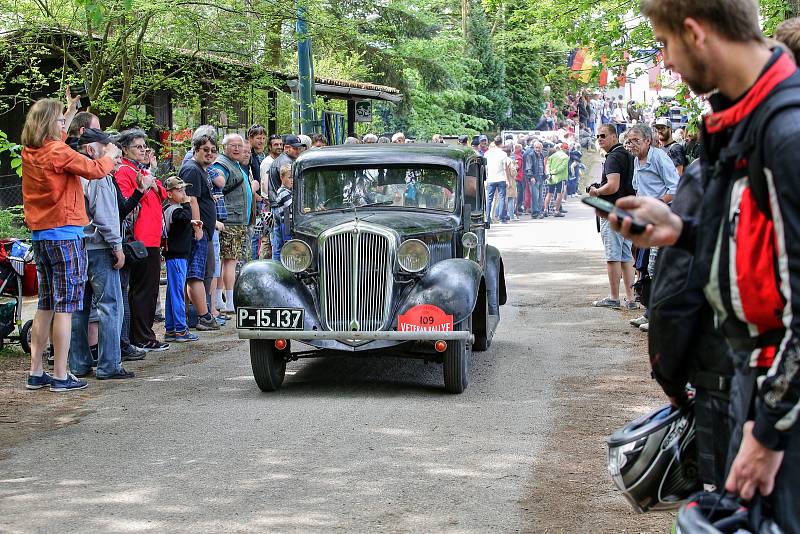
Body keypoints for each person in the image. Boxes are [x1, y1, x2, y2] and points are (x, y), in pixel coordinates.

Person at [613, 1, 800, 528]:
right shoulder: (748, 119)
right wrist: (683, 232)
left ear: (695, 33)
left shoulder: (785, 131)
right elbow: (768, 251)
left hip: (780, 399)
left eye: (665, 45)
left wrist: (767, 434)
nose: (666, 63)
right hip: (756, 383)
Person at [22, 95, 119, 392]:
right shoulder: (58, 153)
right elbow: (95, 170)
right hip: (66, 236)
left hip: (42, 236)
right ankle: (62, 375)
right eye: (61, 121)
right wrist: (110, 153)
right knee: (66, 307)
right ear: (50, 124)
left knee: (46, 304)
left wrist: (70, 109)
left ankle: (37, 371)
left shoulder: (32, 150)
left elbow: (58, 140)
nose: (64, 124)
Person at [69, 128, 134, 380]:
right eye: (109, 150)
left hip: (76, 246)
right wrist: (116, 246)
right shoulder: (98, 174)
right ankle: (109, 364)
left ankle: (78, 363)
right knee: (110, 306)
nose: (114, 158)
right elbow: (105, 215)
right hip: (99, 247)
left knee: (78, 308)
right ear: (92, 149)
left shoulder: (73, 172)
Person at [115, 129, 169, 352]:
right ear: (125, 149)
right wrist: (147, 186)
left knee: (150, 289)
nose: (143, 151)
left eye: (144, 147)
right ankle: (141, 336)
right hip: (140, 237)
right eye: (138, 147)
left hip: (152, 236)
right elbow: (127, 203)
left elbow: (163, 192)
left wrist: (152, 183)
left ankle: (144, 334)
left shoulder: (141, 169)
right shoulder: (125, 171)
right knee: (143, 290)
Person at [625, 123, 679, 332]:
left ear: (648, 140)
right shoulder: (637, 160)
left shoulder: (659, 157)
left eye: (636, 140)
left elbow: (674, 188)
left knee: (656, 268)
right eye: (629, 141)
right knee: (645, 268)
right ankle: (649, 312)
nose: (631, 145)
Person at [589, 124, 636, 310]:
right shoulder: (627, 155)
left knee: (613, 257)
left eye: (603, 135)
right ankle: (631, 299)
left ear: (614, 137)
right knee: (626, 256)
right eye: (598, 136)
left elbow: (613, 185)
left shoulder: (613, 157)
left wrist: (596, 191)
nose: (600, 139)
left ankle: (614, 297)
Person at [180, 134, 221, 331]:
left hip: (205, 229)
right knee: (196, 274)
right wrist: (197, 228)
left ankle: (197, 315)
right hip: (198, 230)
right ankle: (200, 316)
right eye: (206, 150)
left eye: (213, 150)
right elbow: (191, 199)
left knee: (206, 271)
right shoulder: (191, 169)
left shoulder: (202, 170)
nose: (210, 153)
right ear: (196, 150)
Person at [213, 134, 255, 314]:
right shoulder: (222, 163)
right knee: (230, 261)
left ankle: (221, 301)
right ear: (225, 147)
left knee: (227, 260)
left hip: (237, 219)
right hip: (230, 220)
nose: (237, 149)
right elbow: (218, 179)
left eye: (240, 146)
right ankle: (228, 301)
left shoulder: (235, 163)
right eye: (233, 145)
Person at [162, 177, 199, 343]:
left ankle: (170, 328)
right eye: (179, 190)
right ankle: (180, 329)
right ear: (169, 193)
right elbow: (181, 217)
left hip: (177, 255)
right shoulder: (175, 209)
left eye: (184, 190)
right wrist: (186, 203)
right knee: (177, 293)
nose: (184, 194)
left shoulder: (174, 209)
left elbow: (183, 220)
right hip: (176, 256)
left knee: (172, 292)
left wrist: (190, 220)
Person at [268, 134, 302, 202]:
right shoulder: (286, 162)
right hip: (282, 204)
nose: (298, 151)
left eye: (299, 148)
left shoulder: (285, 159)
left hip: (280, 201)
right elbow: (291, 186)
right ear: (286, 148)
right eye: (295, 148)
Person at [484, 137, 509, 224]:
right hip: (501, 178)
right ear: (501, 143)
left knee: (489, 199)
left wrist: (486, 179)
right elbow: (505, 168)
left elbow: (485, 168)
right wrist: (507, 180)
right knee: (501, 198)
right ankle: (501, 218)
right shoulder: (503, 154)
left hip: (490, 178)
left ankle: (487, 217)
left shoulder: (487, 153)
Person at [271, 164, 293, 259]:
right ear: (282, 177)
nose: (292, 180)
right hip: (287, 224)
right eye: (289, 177)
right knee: (287, 248)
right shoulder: (283, 192)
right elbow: (291, 206)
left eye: (293, 177)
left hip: (288, 223)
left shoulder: (288, 191)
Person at [543, 144, 569, 218]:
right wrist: (554, 172)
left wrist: (549, 173)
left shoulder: (552, 156)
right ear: (565, 149)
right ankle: (556, 211)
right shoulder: (565, 157)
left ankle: (545, 210)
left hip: (551, 178)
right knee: (559, 195)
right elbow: (563, 167)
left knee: (549, 193)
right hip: (560, 178)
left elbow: (547, 165)